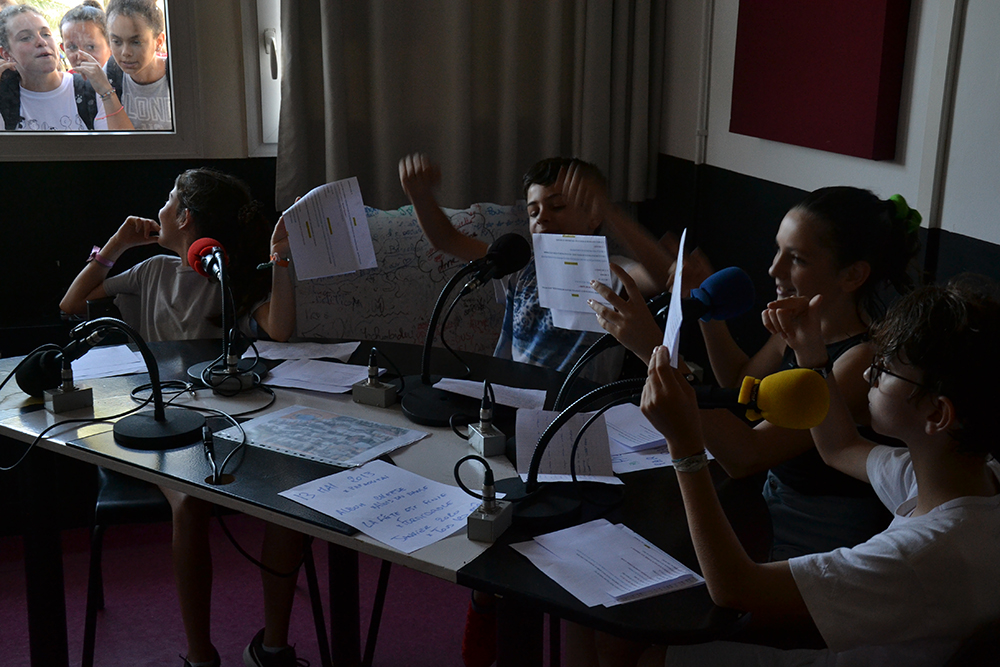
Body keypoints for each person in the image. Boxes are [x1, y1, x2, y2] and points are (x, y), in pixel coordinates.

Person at [605, 275, 1000, 667]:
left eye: (884, 369)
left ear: (937, 413)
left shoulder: (919, 557)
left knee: (642, 654)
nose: (868, 375)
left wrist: (685, 449)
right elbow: (839, 447)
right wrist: (812, 356)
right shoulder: (969, 479)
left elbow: (734, 587)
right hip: (864, 638)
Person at [400, 152, 675, 667]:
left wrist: (614, 216)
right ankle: (487, 612)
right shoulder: (520, 268)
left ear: (591, 215)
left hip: (575, 430)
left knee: (562, 555)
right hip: (505, 418)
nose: (542, 218)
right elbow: (446, 240)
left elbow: (665, 277)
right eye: (533, 210)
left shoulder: (613, 275)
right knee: (494, 531)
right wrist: (419, 196)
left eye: (559, 206)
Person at [590, 187, 922, 559]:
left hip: (817, 533)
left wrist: (653, 349)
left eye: (797, 259)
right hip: (769, 504)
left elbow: (746, 456)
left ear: (852, 275)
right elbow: (739, 384)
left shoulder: (859, 360)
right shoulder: (801, 327)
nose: (774, 269)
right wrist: (705, 307)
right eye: (778, 250)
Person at [60, 168, 304, 667]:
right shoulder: (150, 271)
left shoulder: (227, 278)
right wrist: (118, 243)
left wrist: (280, 258)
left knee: (291, 496)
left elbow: (278, 328)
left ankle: (272, 647)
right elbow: (72, 302)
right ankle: (200, 654)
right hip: (161, 422)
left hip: (229, 421)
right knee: (190, 501)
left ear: (186, 217)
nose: (161, 207)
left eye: (170, 199)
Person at [0, 4, 131, 131]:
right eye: (25, 38)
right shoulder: (4, 100)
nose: (42, 42)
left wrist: (106, 92)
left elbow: (123, 143)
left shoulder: (93, 90)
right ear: (6, 54)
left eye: (46, 34)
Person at [105, 0, 170, 130]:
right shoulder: (109, 76)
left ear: (158, 41)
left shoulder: (177, 75)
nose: (125, 52)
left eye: (136, 42)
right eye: (116, 42)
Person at [60, 1, 112, 69]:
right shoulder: (68, 76)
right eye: (72, 47)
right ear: (63, 49)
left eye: (90, 47)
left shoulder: (123, 75)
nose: (81, 56)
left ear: (111, 47)